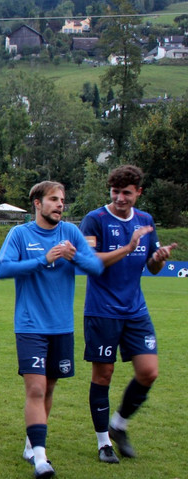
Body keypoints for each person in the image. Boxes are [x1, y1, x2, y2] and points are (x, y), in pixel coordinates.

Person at [0, 181, 103, 479]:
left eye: (62, 200)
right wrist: (43, 260)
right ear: (37, 203)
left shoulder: (70, 233)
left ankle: (31, 443)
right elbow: (2, 269)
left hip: (61, 326)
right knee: (36, 388)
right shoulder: (20, 234)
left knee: (50, 388)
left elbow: (96, 268)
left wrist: (73, 256)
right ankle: (41, 459)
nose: (59, 205)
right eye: (53, 199)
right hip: (30, 325)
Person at [80, 165, 177, 462]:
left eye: (126, 193)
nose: (120, 198)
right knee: (103, 375)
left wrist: (158, 258)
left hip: (136, 310)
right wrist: (128, 246)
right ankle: (103, 443)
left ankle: (119, 425)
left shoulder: (146, 220)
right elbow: (90, 261)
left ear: (138, 193)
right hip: (102, 310)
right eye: (115, 192)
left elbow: (153, 267)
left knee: (149, 372)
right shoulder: (95, 219)